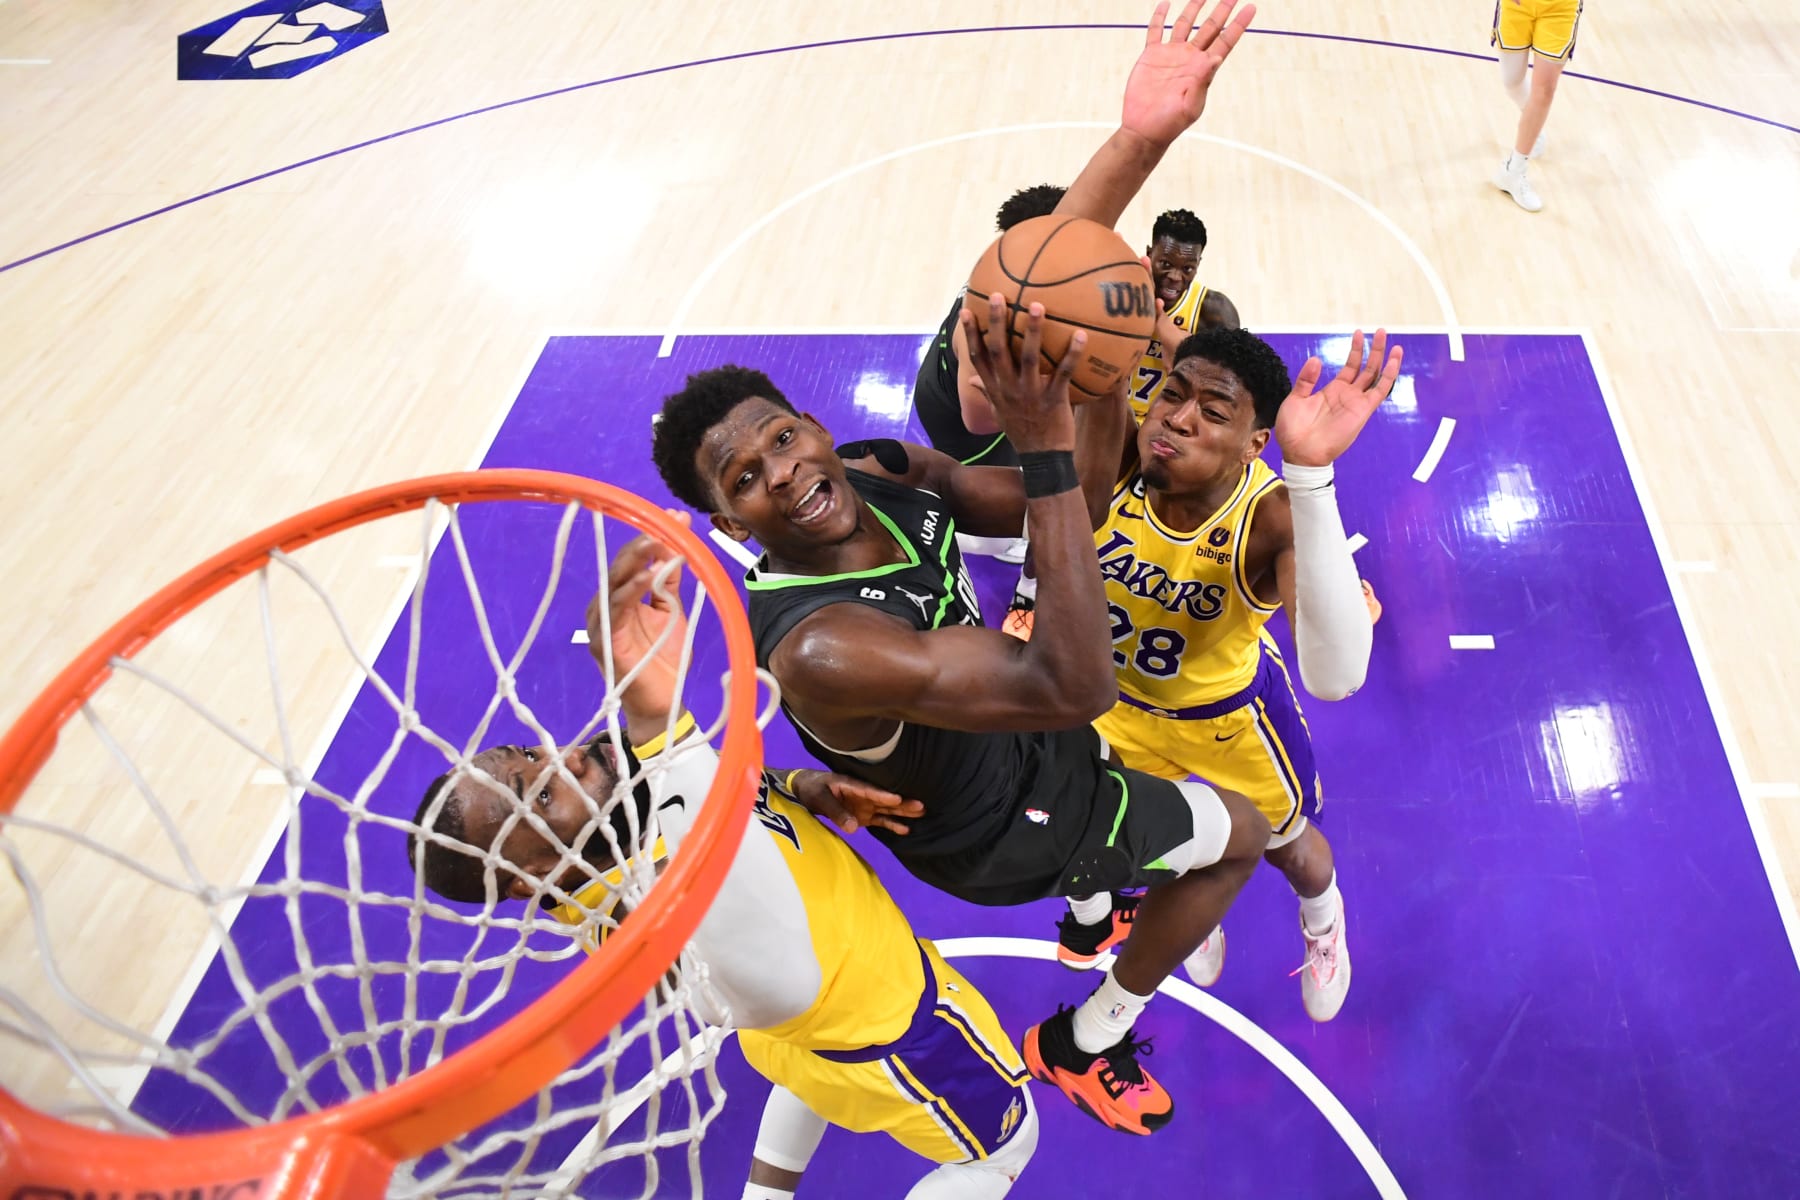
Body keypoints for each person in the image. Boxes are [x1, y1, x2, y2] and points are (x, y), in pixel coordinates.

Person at [650, 0, 1267, 1137]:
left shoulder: (879, 470)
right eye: (745, 479)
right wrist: (1051, 431)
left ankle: (1092, 920)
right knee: (1248, 835)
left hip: (1027, 739)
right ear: (735, 526)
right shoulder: (823, 647)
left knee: (1098, 776)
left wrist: (1141, 140)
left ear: (809, 421)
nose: (782, 473)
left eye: (782, 437)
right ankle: (1090, 1036)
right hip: (1000, 825)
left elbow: (1067, 502)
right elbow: (1072, 682)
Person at [408, 528, 1038, 1200]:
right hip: (892, 1028)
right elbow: (764, 958)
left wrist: (800, 787)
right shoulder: (645, 923)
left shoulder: (611, 807)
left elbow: (728, 796)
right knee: (1003, 1149)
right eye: (537, 794)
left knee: (805, 1071)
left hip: (809, 1041)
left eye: (527, 756)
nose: (560, 760)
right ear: (528, 876)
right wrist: (662, 726)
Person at [1065, 326, 1399, 1022]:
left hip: (1224, 721)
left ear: (1254, 444)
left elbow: (1336, 677)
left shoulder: (1270, 515)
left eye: (1213, 413)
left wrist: (1309, 475)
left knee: (1292, 851)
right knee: (1156, 842)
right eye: (1170, 395)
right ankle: (1192, 913)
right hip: (1118, 706)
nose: (1179, 418)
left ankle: (1323, 920)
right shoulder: (1117, 456)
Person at [1130, 208, 1240, 422]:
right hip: (1112, 418)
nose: (1174, 276)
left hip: (1169, 425)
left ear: (1198, 264)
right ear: (1149, 253)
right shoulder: (1120, 291)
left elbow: (1230, 387)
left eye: (1187, 268)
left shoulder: (1214, 311)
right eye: (1166, 264)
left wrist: (1189, 355)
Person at [1491, 0, 1585, 212]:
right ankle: (1532, 127)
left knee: (1544, 90)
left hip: (1560, 9)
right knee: (1512, 81)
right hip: (1517, 5)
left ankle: (1514, 170)